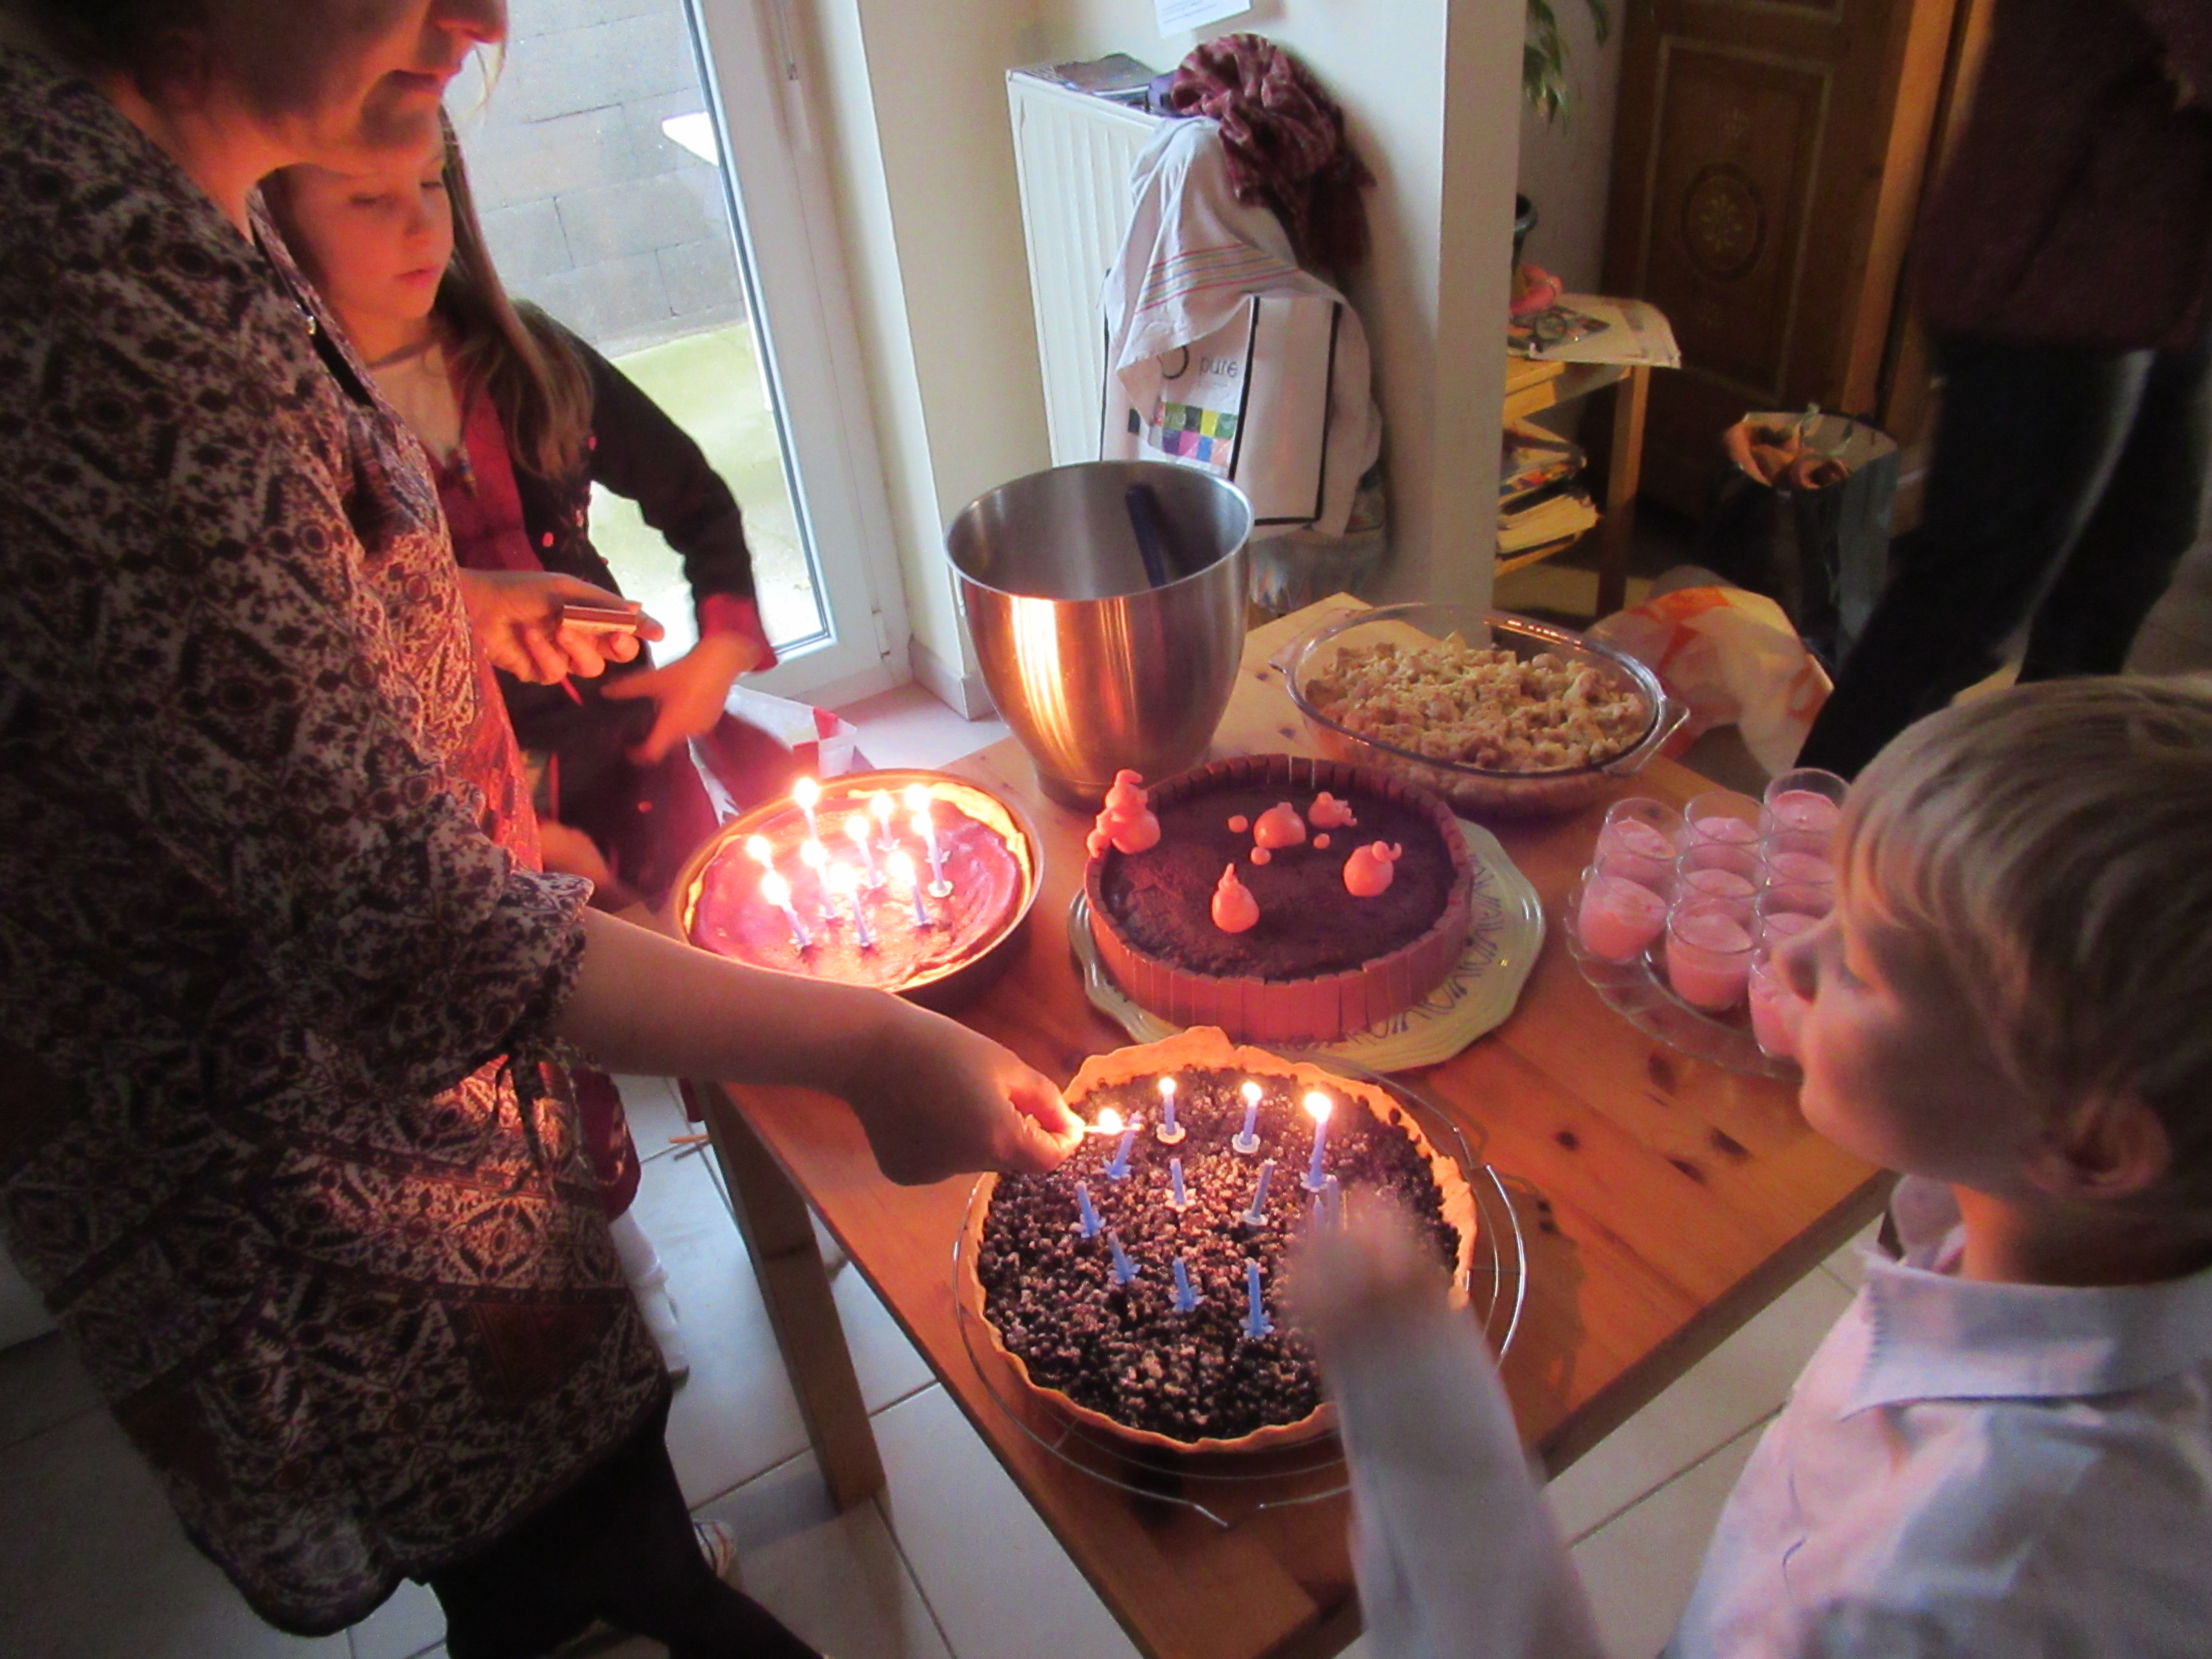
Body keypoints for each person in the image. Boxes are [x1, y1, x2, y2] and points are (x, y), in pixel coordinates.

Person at [0, 6, 1080, 1659]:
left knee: (597, 1544)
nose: (488, 20)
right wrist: (868, 1046)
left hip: (408, 1149)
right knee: (578, 1585)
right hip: (343, 1218)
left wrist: (437, 595)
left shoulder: (164, 179)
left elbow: (222, 642)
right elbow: (403, 929)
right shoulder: (96, 311)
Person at [1293, 675, 2212, 1657]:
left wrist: (1415, 1398)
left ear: (2089, 1147)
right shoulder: (2017, 1243)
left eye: (1864, 966)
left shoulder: (1951, 1583)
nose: (1797, 958)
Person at [262, 131, 797, 1378]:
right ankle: (623, 1254)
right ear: (274, 217)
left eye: (433, 187)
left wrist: (717, 652)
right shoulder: (295, 426)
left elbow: (699, 501)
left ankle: (769, 1182)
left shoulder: (530, 359)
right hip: (467, 796)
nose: (419, 226)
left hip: (633, 750)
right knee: (548, 1054)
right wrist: (505, 837)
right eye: (368, 197)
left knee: (716, 969)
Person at [1793, 0, 2212, 778]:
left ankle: (2026, 805)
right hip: (2053, 273)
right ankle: (1808, 832)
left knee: (2132, 556)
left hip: (2168, 276)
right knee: (1968, 602)